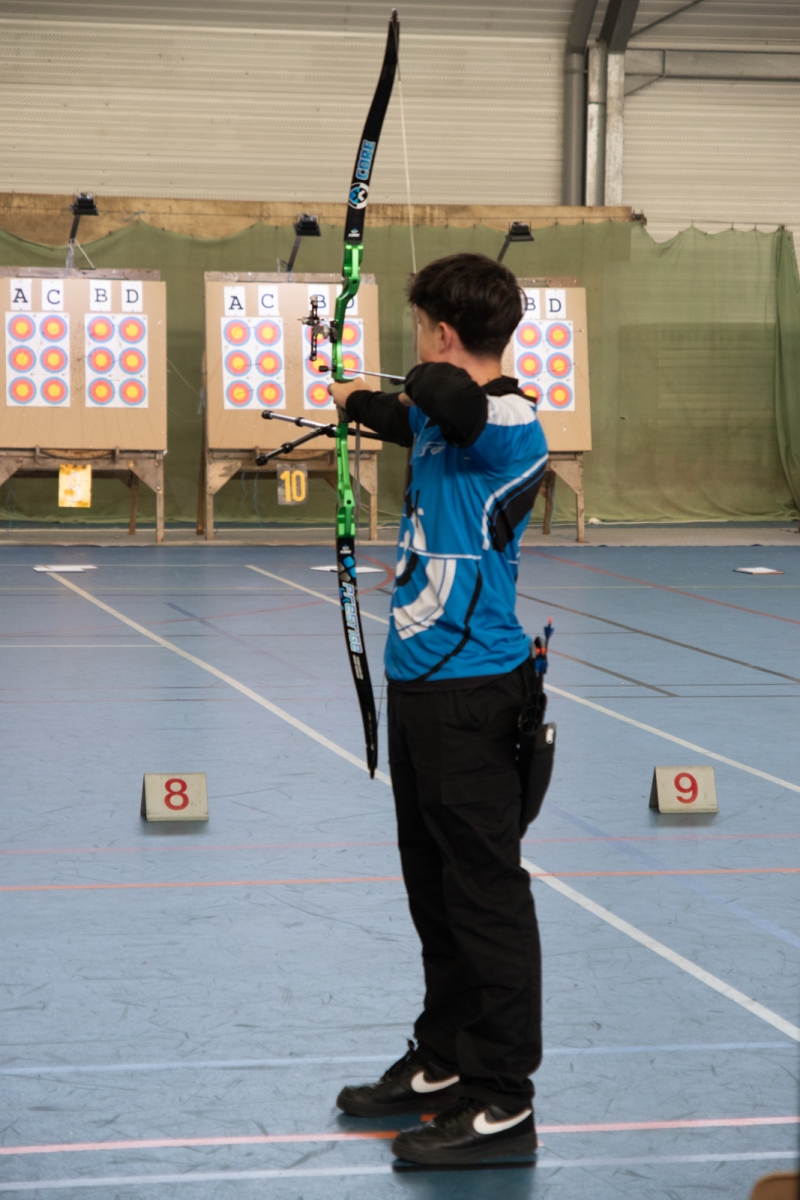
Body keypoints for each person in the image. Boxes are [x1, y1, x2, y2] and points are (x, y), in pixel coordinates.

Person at [329, 252, 549, 1167]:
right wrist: (351, 398)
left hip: (474, 692)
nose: (415, 345)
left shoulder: (508, 420)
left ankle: (502, 1102)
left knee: (486, 897)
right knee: (436, 891)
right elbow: (409, 414)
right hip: (422, 686)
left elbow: (447, 399)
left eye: (421, 329)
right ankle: (445, 1060)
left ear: (445, 334)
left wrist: (404, 379)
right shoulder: (442, 416)